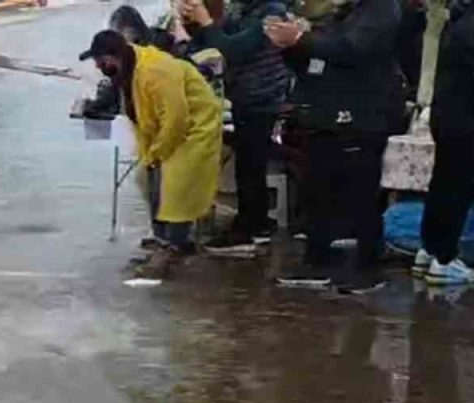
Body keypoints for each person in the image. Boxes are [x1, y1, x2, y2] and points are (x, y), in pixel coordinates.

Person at [265, 0, 403, 286]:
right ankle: (317, 260)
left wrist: (302, 38)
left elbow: (353, 50)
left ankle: (367, 268)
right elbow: (316, 58)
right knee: (318, 190)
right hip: (324, 116)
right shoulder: (341, 13)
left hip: (364, 116)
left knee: (362, 193)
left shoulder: (382, 9)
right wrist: (290, 45)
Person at [80, 29, 224, 255]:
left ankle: (178, 243)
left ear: (114, 56)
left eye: (101, 61)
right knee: (147, 178)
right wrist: (151, 154)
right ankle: (162, 237)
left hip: (195, 127)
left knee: (175, 183)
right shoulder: (129, 69)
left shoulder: (155, 70)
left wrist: (157, 153)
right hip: (168, 130)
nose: (98, 67)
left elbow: (176, 118)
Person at [181, 0, 291, 247]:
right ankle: (254, 220)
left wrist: (206, 20)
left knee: (252, 165)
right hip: (244, 97)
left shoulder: (272, 13)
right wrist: (194, 23)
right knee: (247, 165)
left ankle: (252, 228)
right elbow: (215, 40)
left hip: (263, 99)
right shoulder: (244, 10)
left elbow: (234, 50)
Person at [413, 0, 474, 285]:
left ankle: (429, 250)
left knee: (443, 183)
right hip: (470, 118)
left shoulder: (455, 18)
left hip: (447, 113)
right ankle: (444, 259)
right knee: (458, 187)